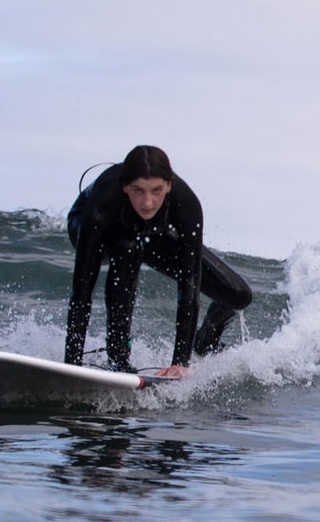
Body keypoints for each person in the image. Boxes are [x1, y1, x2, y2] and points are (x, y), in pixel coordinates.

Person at [64, 145, 253, 377]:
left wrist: (180, 362)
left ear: (169, 186)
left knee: (239, 295)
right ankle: (118, 357)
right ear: (125, 186)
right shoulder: (103, 200)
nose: (148, 202)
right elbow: (82, 292)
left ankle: (205, 342)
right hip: (90, 227)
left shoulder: (187, 205)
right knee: (128, 248)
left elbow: (189, 286)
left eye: (157, 190)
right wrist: (71, 363)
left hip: (150, 233)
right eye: (138, 190)